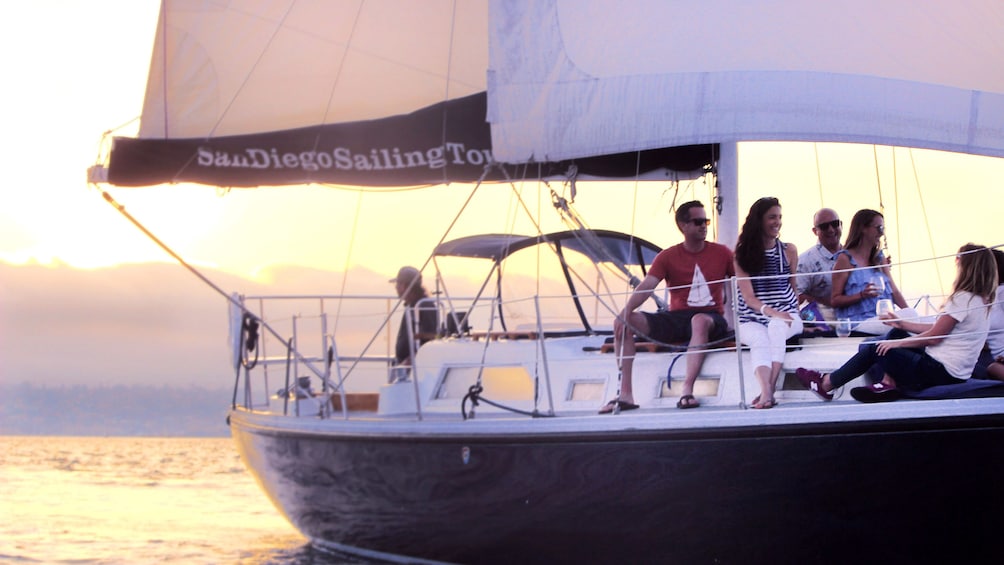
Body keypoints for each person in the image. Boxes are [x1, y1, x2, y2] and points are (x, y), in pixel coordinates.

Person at [798, 243, 998, 402]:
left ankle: (826, 385)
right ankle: (888, 383)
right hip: (952, 371)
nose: (956, 263)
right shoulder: (982, 301)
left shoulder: (963, 297)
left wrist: (896, 345)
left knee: (875, 347)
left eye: (959, 260)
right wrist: (903, 325)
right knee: (895, 334)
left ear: (969, 267)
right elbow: (940, 329)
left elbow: (934, 338)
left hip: (939, 371)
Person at [601, 201, 735, 413]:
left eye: (706, 221)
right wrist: (624, 313)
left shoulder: (722, 253)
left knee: (699, 320)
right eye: (698, 221)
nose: (704, 226)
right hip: (677, 318)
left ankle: (687, 390)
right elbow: (647, 286)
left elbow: (743, 280)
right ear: (683, 225)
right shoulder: (668, 256)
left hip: (710, 318)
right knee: (627, 322)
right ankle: (625, 394)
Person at [734, 197, 803, 409]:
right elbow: (748, 298)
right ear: (759, 221)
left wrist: (791, 313)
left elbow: (793, 287)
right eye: (772, 217)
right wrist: (773, 312)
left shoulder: (788, 250)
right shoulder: (742, 254)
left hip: (788, 315)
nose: (777, 222)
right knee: (759, 339)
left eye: (780, 217)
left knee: (775, 327)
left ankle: (768, 390)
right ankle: (766, 390)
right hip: (751, 318)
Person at [830, 209, 907, 334]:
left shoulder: (879, 258)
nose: (881, 234)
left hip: (883, 319)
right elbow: (835, 300)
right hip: (859, 323)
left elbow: (895, 291)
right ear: (863, 229)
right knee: (900, 325)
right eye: (879, 228)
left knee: (912, 315)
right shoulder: (845, 259)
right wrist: (861, 295)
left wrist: (913, 319)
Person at [389, 266, 439, 383]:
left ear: (406, 286)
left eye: (398, 284)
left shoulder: (424, 306)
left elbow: (430, 338)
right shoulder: (413, 305)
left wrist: (411, 360)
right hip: (405, 366)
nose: (396, 288)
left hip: (413, 369)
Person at [796, 208, 843, 328]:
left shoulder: (854, 255)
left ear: (841, 225)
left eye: (834, 224)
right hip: (823, 322)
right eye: (824, 226)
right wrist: (823, 302)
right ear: (815, 231)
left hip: (856, 317)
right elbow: (796, 296)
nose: (831, 230)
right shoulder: (805, 261)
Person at [973, 248, 1004, 380]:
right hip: (993, 358)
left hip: (998, 360)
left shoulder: (1002, 292)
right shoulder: (980, 299)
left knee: (992, 368)